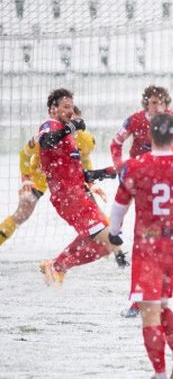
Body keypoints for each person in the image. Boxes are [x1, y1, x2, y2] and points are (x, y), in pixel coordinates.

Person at [108, 113, 173, 379]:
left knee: (149, 313)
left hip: (149, 248)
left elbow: (119, 208)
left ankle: (160, 373)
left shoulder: (136, 166)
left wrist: (115, 234)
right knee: (161, 305)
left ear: (151, 135)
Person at [36, 89, 122, 286]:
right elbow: (45, 142)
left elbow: (75, 173)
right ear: (53, 109)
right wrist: (71, 127)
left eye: (71, 108)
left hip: (76, 194)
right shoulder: (50, 125)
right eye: (65, 107)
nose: (70, 111)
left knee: (103, 245)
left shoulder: (68, 137)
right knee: (108, 240)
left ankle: (57, 266)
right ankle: (58, 266)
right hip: (68, 197)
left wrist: (103, 172)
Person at [0, 106, 109, 246]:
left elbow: (86, 158)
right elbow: (24, 154)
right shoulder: (48, 135)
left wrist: (91, 183)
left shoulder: (85, 139)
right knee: (22, 214)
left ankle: (111, 249)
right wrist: (26, 180)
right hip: (40, 177)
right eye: (68, 120)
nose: (71, 123)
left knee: (94, 213)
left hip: (67, 179)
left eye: (74, 120)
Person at [110, 85, 173, 171]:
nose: (158, 107)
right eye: (154, 102)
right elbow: (116, 143)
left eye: (162, 103)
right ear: (146, 104)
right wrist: (119, 165)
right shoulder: (135, 120)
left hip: (165, 167)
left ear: (166, 105)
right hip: (138, 169)